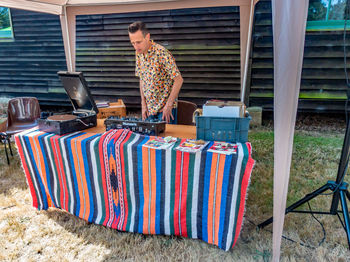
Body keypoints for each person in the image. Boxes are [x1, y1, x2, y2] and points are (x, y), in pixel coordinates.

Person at [128, 21, 183, 124]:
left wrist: (169, 105)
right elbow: (142, 79)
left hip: (165, 110)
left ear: (147, 37)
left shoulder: (162, 53)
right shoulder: (138, 53)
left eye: (138, 42)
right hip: (149, 110)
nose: (136, 47)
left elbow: (179, 80)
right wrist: (143, 104)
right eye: (133, 43)